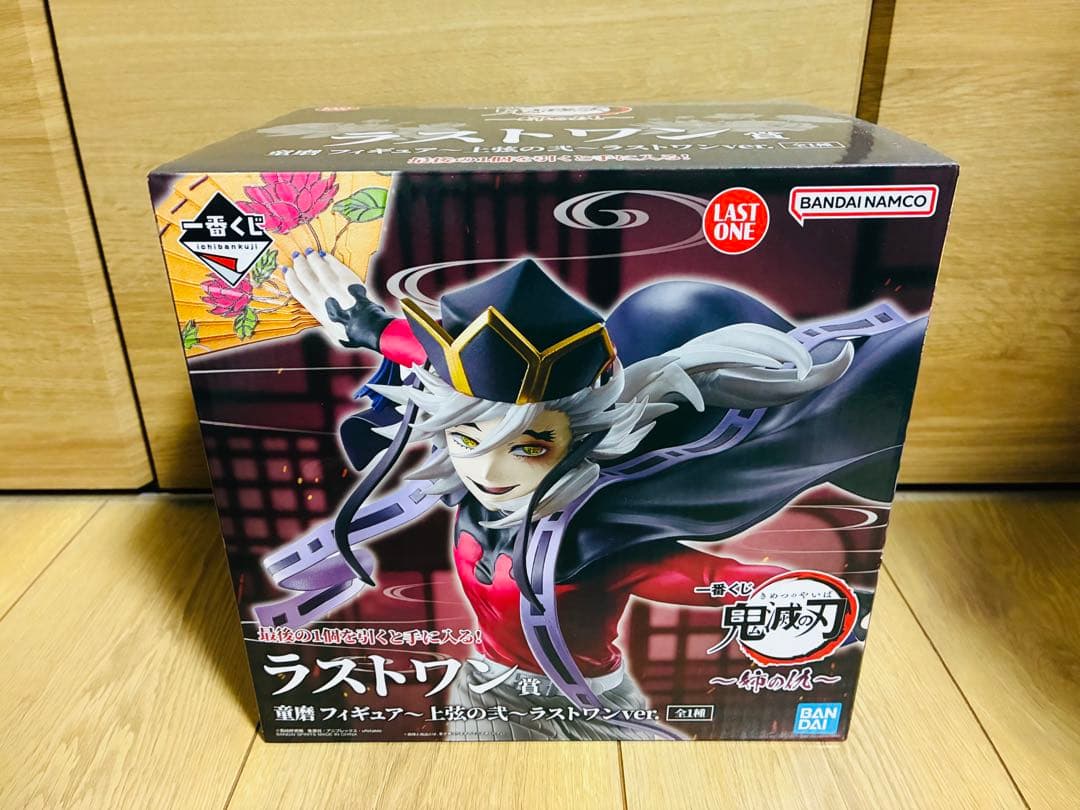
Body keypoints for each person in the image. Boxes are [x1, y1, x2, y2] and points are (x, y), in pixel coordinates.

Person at [264, 249, 922, 739]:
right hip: (480, 689)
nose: (487, 469)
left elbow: (707, 578)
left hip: (588, 708)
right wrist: (364, 322)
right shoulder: (471, 481)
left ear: (578, 436)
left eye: (529, 445)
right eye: (465, 437)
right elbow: (441, 366)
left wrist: (803, 602)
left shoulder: (596, 533)